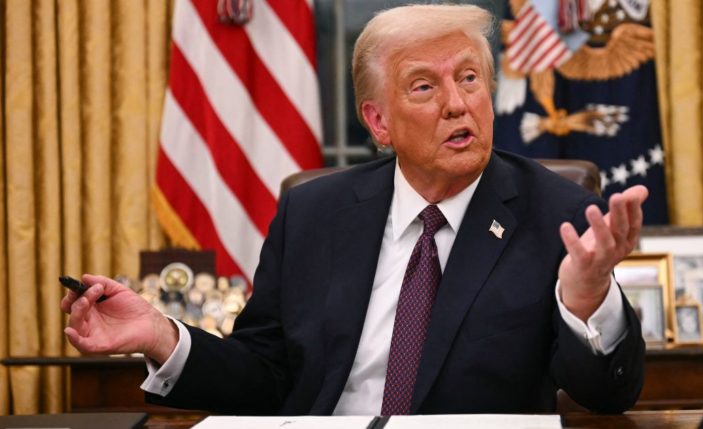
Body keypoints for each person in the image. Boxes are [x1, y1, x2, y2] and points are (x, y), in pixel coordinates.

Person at [61, 4, 648, 416]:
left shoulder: (559, 213)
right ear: (378, 122)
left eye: (470, 78)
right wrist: (162, 336)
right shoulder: (312, 213)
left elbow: (607, 397)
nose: (456, 103)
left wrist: (588, 299)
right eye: (423, 87)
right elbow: (265, 375)